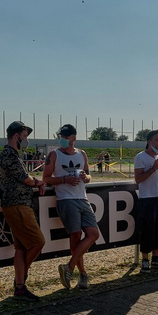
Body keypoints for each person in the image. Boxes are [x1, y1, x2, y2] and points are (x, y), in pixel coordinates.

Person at [43, 124, 99, 290]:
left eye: (66, 136)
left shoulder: (82, 154)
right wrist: (63, 180)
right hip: (66, 199)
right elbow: (46, 177)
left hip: (82, 198)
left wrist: (85, 176)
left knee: (93, 233)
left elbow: (88, 176)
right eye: (62, 136)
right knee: (75, 237)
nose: (63, 138)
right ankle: (82, 274)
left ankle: (69, 267)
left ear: (73, 137)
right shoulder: (54, 154)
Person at [0, 121, 46, 301]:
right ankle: (21, 278)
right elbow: (24, 178)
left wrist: (34, 181)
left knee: (20, 248)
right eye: (25, 136)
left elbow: (23, 177)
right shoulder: (8, 154)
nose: (26, 140)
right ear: (17, 135)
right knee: (37, 242)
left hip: (17, 204)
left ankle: (20, 286)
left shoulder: (11, 154)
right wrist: (37, 182)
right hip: (17, 205)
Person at [134, 130, 158, 271]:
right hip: (147, 198)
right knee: (147, 229)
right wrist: (153, 168)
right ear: (149, 141)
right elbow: (138, 179)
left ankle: (156, 257)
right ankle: (144, 259)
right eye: (156, 140)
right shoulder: (140, 157)